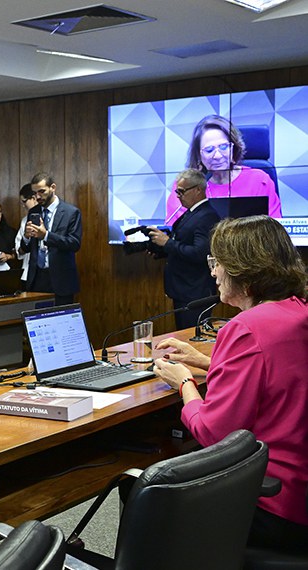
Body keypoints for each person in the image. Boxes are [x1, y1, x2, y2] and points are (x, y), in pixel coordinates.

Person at [152, 215, 308, 555]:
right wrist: (208, 362)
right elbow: (280, 376)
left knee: (147, 495)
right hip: (300, 489)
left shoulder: (247, 327)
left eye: (217, 262)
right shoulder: (297, 311)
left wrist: (185, 384)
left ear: (244, 271)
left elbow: (213, 432)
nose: (213, 272)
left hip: (274, 505)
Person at [165, 115, 281, 222]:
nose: (218, 156)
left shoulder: (259, 180)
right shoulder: (186, 185)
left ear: (233, 148)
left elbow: (274, 230)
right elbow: (175, 232)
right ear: (199, 155)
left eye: (223, 147)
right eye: (209, 150)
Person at [147, 169, 220, 329]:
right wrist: (160, 249)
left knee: (191, 338)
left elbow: (200, 253)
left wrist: (167, 243)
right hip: (184, 290)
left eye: (181, 191)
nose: (178, 196)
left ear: (198, 190)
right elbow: (181, 243)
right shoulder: (191, 214)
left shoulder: (207, 216)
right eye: (176, 192)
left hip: (195, 291)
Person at [18, 172, 82, 306]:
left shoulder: (71, 212)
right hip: (37, 278)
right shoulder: (33, 212)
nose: (38, 196)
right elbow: (26, 248)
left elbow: (74, 244)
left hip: (61, 279)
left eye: (42, 191)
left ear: (53, 187)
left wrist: (46, 236)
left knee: (62, 322)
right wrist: (27, 237)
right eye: (35, 193)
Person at [14, 184, 38, 289]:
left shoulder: (50, 218)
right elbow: (19, 250)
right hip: (28, 272)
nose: (23, 205)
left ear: (33, 198)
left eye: (24, 201)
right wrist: (26, 237)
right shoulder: (25, 221)